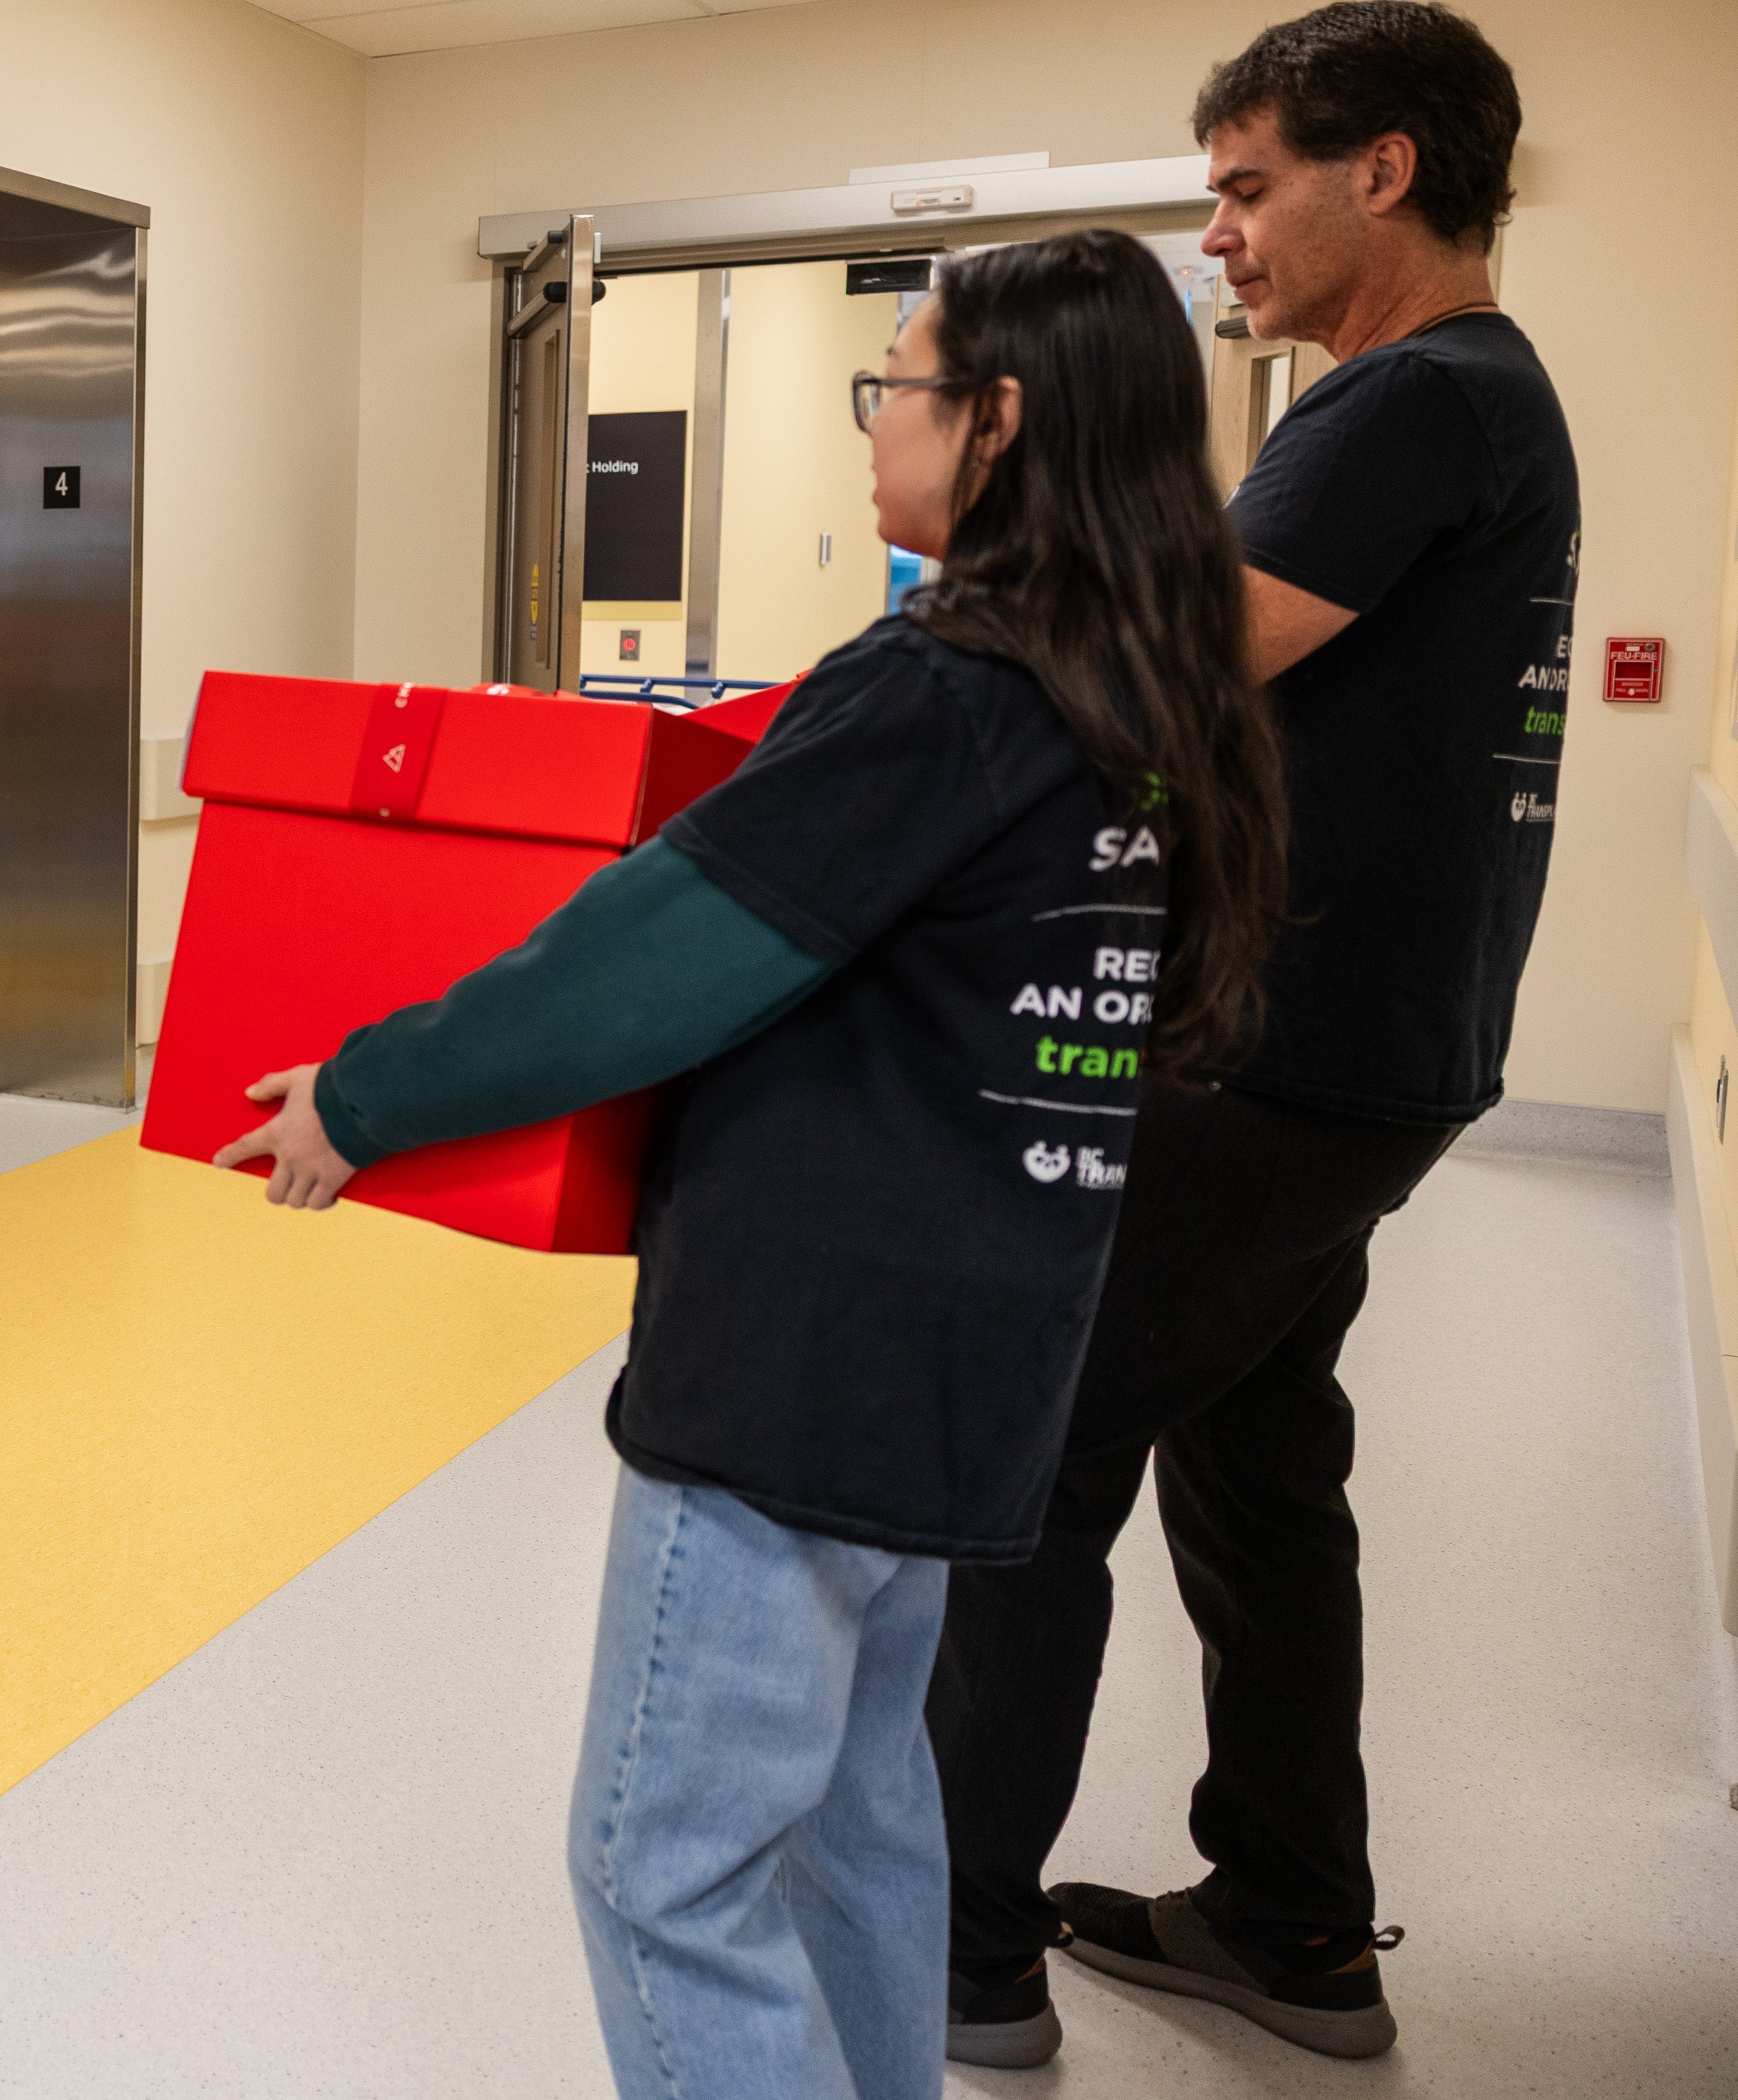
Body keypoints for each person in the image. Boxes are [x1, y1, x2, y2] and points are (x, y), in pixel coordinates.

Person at [221, 231, 1285, 2097]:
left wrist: (365, 1096)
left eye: (903, 384)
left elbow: (653, 958)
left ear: (1003, 420)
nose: (875, 423)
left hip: (807, 1376)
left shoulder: (948, 686)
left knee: (666, 1875)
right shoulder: (1144, 704)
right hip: (977, 1364)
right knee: (861, 1826)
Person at [927, 1, 1576, 2068]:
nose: (1220, 237)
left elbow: (1168, 659)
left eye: (1243, 188)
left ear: (1379, 171)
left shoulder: (1406, 403)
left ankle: (959, 1948)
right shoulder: (1459, 401)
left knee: (1021, 1456)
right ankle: (1296, 1917)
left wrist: (972, 534)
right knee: (1261, 1465)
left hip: (1282, 1060)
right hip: (1373, 1047)